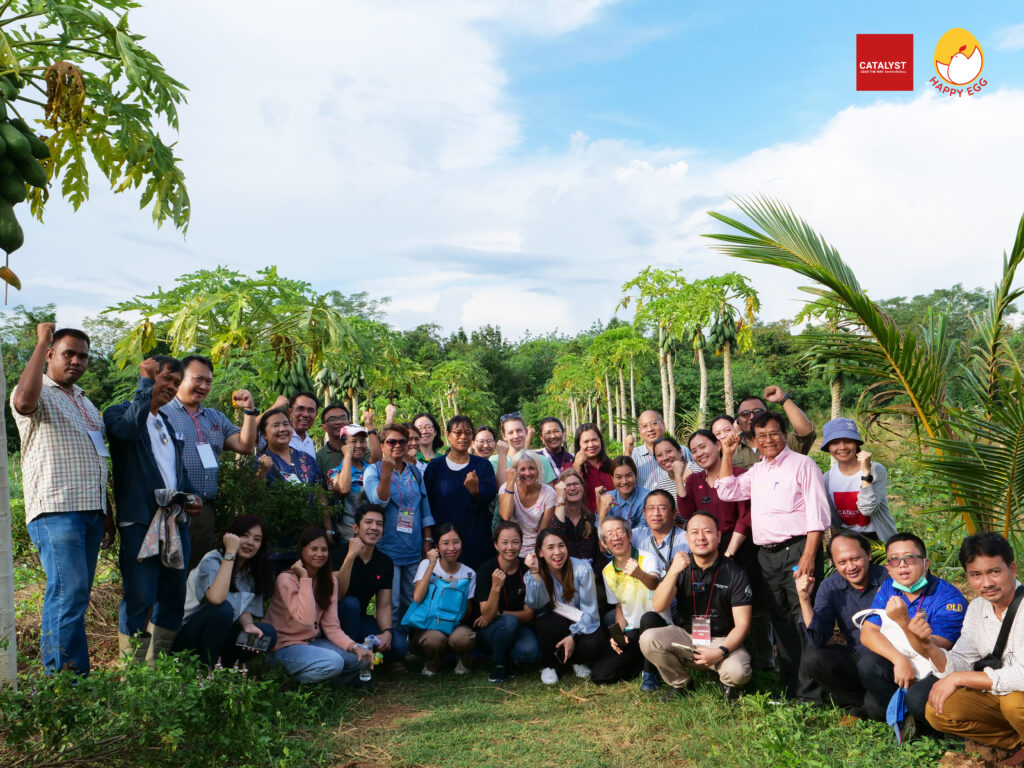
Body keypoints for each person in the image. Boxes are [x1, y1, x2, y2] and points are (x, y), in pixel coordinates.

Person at [11, 323, 112, 675]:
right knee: (67, 594)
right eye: (68, 353)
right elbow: (23, 402)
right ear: (51, 355)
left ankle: (74, 677)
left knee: (76, 596)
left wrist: (106, 512)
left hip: (90, 511)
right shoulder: (38, 392)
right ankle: (60, 683)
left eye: (83, 356)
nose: (76, 361)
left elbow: (97, 457)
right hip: (57, 509)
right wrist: (41, 341)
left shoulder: (86, 401)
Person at [716, 410, 831, 701]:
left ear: (784, 434)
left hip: (797, 549)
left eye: (774, 433)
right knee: (780, 619)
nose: (768, 440)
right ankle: (791, 687)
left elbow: (818, 515)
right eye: (762, 435)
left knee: (802, 617)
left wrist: (808, 556)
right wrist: (727, 453)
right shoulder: (757, 470)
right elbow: (726, 491)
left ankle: (812, 691)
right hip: (767, 555)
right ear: (753, 439)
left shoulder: (803, 465)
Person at [105, 356, 203, 662]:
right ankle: (131, 670)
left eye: (176, 382)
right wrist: (144, 386)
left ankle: (155, 668)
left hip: (175, 521)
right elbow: (126, 434)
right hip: (140, 521)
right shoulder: (119, 412)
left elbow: (178, 473)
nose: (172, 387)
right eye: (167, 379)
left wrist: (192, 495)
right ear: (149, 376)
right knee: (140, 595)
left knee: (173, 595)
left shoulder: (167, 423)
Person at [922, 533, 1024, 764]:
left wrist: (960, 678)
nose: (986, 583)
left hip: (1017, 700)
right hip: (1002, 700)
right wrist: (928, 645)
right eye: (976, 575)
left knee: (1014, 703)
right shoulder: (978, 608)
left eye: (994, 572)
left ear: (1013, 569)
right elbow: (960, 659)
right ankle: (1017, 743)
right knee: (939, 709)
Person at [639, 511, 753, 700]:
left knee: (738, 672)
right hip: (686, 636)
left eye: (707, 531)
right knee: (649, 638)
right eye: (694, 532)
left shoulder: (735, 573)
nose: (700, 537)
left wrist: (720, 651)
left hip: (721, 639)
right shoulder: (679, 565)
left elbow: (743, 625)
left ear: (718, 536)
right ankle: (681, 684)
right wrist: (673, 571)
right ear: (687, 537)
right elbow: (659, 605)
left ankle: (728, 684)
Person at [857, 532, 966, 727]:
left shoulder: (949, 598)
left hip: (937, 668)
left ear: (926, 563)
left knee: (917, 699)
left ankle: (919, 721)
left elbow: (935, 652)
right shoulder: (890, 586)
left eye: (909, 558)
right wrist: (898, 660)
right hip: (904, 660)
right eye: (894, 560)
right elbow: (868, 633)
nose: (902, 565)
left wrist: (904, 622)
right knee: (868, 675)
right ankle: (905, 716)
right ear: (888, 568)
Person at [161, 354, 258, 570]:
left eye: (208, 382)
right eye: (198, 379)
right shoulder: (162, 412)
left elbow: (245, 446)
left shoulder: (214, 417)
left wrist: (249, 412)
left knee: (196, 575)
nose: (204, 386)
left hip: (204, 511)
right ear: (180, 378)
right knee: (167, 577)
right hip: (172, 509)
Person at [266, 527, 373, 684]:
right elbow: (306, 618)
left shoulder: (329, 582)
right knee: (334, 662)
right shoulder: (286, 580)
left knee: (362, 657)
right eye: (313, 549)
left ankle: (323, 680)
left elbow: (331, 627)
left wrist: (354, 647)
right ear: (302, 551)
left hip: (312, 643)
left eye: (324, 550)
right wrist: (304, 577)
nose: (319, 554)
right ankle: (288, 682)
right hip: (284, 648)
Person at [796, 531, 887, 713]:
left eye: (856, 559)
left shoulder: (888, 579)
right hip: (858, 657)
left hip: (889, 659)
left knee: (876, 710)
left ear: (869, 555)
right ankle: (855, 702)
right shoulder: (830, 586)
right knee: (814, 658)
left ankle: (871, 704)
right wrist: (804, 599)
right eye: (842, 562)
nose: (850, 567)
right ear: (834, 563)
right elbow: (817, 639)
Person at [174, 515, 276, 668]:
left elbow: (244, 609)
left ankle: (226, 666)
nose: (250, 542)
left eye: (257, 539)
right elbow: (216, 598)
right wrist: (230, 553)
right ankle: (205, 671)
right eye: (245, 535)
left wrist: (248, 625)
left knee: (268, 634)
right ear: (232, 537)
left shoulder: (251, 572)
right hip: (190, 637)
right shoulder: (212, 560)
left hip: (220, 637)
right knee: (222, 610)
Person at [363, 423, 435, 626]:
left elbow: (425, 508)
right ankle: (389, 644)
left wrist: (428, 540)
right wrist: (386, 472)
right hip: (387, 550)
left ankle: (409, 645)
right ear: (383, 445)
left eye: (402, 441)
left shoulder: (414, 471)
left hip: (413, 547)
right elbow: (378, 502)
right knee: (390, 603)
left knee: (412, 599)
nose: (397, 445)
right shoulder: (373, 471)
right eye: (391, 441)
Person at [591, 517, 667, 686]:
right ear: (604, 543)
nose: (616, 537)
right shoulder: (607, 571)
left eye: (619, 532)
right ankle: (644, 663)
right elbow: (619, 606)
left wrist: (638, 573)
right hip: (634, 630)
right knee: (600, 675)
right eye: (610, 534)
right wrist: (618, 636)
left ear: (629, 536)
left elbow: (655, 583)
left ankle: (650, 674)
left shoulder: (647, 558)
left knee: (648, 617)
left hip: (658, 625)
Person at [525, 528, 607, 684]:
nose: (557, 552)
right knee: (550, 624)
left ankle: (576, 660)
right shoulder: (534, 572)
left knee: (596, 641)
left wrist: (572, 637)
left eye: (561, 546)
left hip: (579, 622)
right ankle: (550, 665)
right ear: (540, 552)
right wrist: (535, 572)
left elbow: (590, 612)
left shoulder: (582, 568)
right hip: (552, 623)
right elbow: (535, 603)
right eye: (550, 547)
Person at [255, 407, 333, 570]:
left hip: (309, 542)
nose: (282, 429)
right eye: (276, 425)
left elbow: (320, 495)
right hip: (277, 545)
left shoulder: (307, 459)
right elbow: (255, 500)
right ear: (264, 434)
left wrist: (329, 530)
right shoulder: (259, 462)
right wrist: (262, 473)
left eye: (285, 424)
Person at [335, 503, 409, 666]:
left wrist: (387, 633)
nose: (374, 527)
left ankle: (364, 652)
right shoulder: (338, 552)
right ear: (355, 527)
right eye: (368, 522)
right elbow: (336, 594)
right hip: (334, 620)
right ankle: (351, 658)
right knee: (350, 603)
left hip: (360, 619)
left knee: (399, 646)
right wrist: (351, 556)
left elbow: (383, 605)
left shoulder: (384, 562)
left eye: (379, 524)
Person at [424, 415, 498, 569]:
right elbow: (427, 506)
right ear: (448, 435)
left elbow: (490, 496)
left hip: (477, 542)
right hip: (445, 545)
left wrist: (475, 491)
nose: (463, 437)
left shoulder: (483, 465)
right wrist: (429, 540)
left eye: (468, 432)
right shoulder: (435, 467)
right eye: (458, 432)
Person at [473, 521, 541, 683]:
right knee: (509, 622)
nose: (510, 547)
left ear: (521, 544)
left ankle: (509, 657)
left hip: (517, 627)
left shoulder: (526, 569)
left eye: (515, 542)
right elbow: (487, 616)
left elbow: (529, 615)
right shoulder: (485, 570)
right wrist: (496, 587)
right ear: (496, 545)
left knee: (531, 652)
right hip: (489, 630)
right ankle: (499, 665)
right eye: (504, 542)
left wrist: (500, 613)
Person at [407, 523, 477, 675]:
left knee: (465, 638)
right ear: (437, 546)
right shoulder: (426, 564)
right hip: (429, 625)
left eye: (456, 542)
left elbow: (468, 612)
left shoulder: (469, 573)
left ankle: (464, 659)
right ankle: (434, 662)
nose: (451, 548)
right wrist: (432, 564)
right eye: (445, 543)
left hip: (455, 625)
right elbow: (417, 597)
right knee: (433, 640)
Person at [820, 417, 896, 542]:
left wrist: (866, 472)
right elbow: (833, 522)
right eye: (835, 443)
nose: (842, 447)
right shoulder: (827, 479)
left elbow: (867, 509)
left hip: (878, 539)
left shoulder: (876, 470)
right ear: (828, 447)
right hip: (847, 540)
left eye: (848, 441)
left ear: (856, 443)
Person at [678, 430, 751, 560]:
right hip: (706, 547)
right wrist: (678, 478)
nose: (699, 454)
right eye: (694, 451)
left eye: (703, 447)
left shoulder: (739, 474)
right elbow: (686, 514)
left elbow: (745, 517)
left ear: (718, 445)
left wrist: (729, 553)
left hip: (737, 546)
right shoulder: (693, 480)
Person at [730, 387, 816, 469]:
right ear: (738, 420)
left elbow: (806, 431)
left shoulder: (784, 440)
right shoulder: (731, 451)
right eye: (745, 413)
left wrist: (783, 399)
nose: (752, 416)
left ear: (767, 413)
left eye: (757, 411)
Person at [499, 451, 557, 556]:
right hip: (512, 546)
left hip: (537, 547)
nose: (527, 473)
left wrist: (536, 554)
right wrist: (510, 483)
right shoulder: (506, 488)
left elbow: (542, 531)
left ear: (538, 470)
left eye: (531, 468)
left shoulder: (549, 493)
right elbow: (506, 516)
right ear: (515, 471)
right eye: (522, 469)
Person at [316, 402, 385, 488]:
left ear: (349, 423)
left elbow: (377, 461)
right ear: (324, 427)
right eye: (332, 419)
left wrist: (370, 426)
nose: (339, 422)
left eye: (343, 417)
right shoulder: (319, 457)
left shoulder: (359, 450)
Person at [624, 410, 697, 491]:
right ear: (640, 431)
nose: (650, 429)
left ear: (663, 425)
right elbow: (624, 481)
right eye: (644, 426)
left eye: (654, 423)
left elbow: (698, 474)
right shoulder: (633, 455)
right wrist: (628, 451)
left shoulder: (682, 450)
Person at [326, 424, 371, 552]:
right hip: (348, 537)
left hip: (373, 536)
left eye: (362, 441)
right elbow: (344, 489)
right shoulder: (334, 473)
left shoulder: (372, 469)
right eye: (353, 441)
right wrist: (347, 456)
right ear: (343, 446)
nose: (359, 445)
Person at [548, 468, 600, 562]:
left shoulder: (591, 519)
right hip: (566, 572)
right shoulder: (556, 519)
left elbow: (600, 553)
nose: (572, 488)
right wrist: (560, 497)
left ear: (583, 487)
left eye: (576, 484)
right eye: (567, 485)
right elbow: (557, 534)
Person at [631, 490, 690, 571]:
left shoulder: (686, 540)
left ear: (674, 513)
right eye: (651, 508)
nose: (656, 513)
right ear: (644, 513)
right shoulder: (636, 535)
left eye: (663, 508)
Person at [494, 413, 553, 486]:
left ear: (526, 432)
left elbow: (551, 492)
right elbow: (501, 489)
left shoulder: (542, 460)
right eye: (510, 432)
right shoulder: (495, 460)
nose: (516, 436)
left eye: (519, 430)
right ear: (504, 436)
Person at [598, 456, 649, 529]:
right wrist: (603, 511)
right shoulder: (607, 498)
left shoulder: (647, 498)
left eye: (629, 476)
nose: (624, 481)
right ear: (612, 478)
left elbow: (643, 531)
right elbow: (600, 531)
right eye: (619, 477)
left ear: (636, 474)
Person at [573, 423, 613, 513]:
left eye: (594, 440)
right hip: (585, 520)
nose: (591, 445)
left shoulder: (612, 464)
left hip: (613, 518)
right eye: (586, 442)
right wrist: (577, 466)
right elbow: (571, 490)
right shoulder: (571, 467)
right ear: (579, 445)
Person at [287, 391, 320, 458]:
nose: (305, 414)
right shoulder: (281, 437)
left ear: (316, 415)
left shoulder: (309, 442)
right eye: (300, 409)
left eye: (310, 410)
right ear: (290, 412)